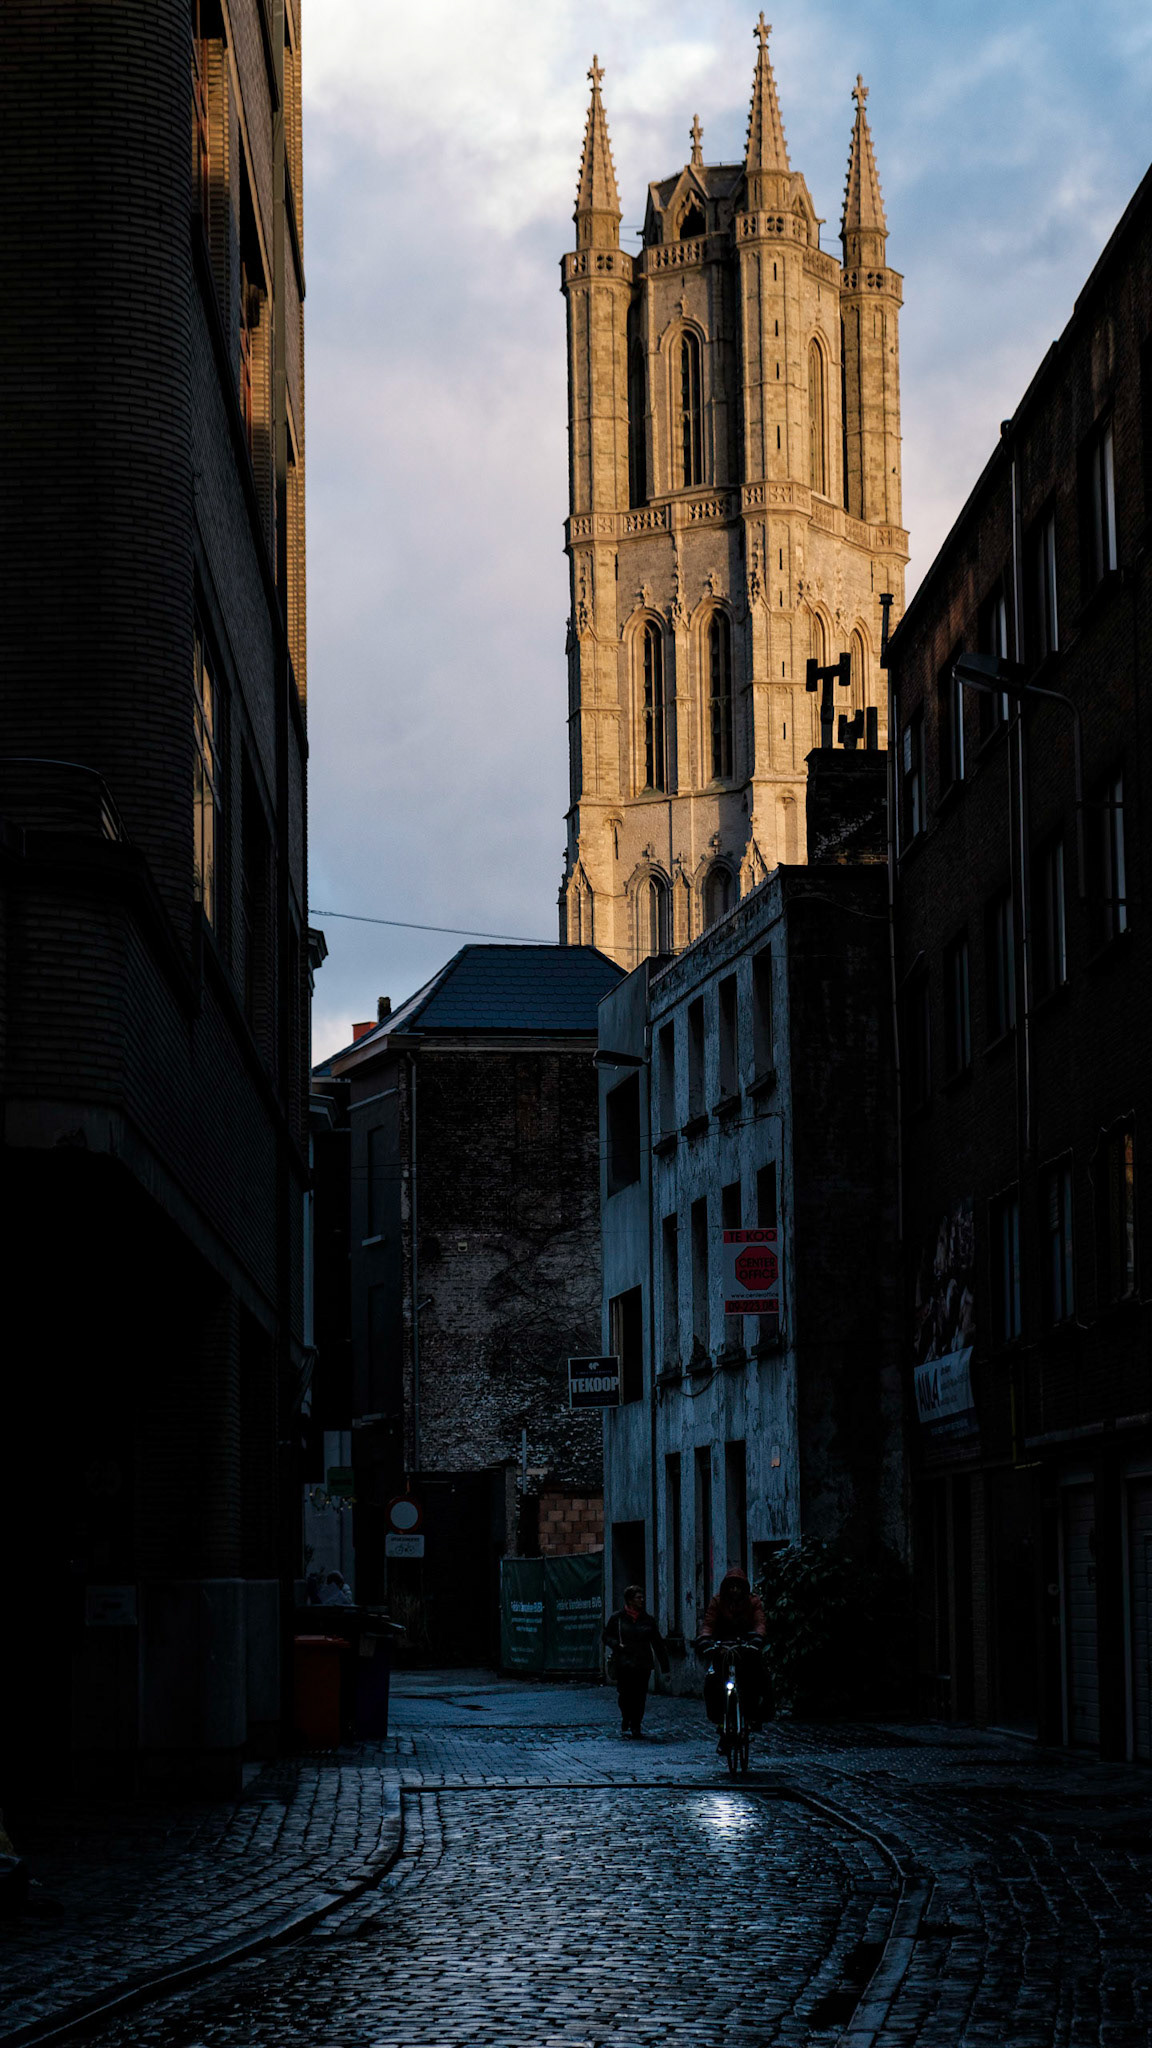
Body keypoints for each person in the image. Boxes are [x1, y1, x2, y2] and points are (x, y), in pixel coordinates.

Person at [696, 1565, 770, 1746]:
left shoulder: (753, 1602)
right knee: (713, 1683)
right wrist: (706, 1639)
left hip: (746, 1647)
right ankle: (720, 1721)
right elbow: (709, 1623)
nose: (734, 1590)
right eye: (731, 1587)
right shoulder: (717, 1602)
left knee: (758, 1678)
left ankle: (755, 1715)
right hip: (722, 1647)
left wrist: (757, 1638)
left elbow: (759, 1622)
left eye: (738, 1587)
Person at [602, 1584, 670, 1738]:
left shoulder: (648, 1620)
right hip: (624, 1663)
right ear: (630, 1600)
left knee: (640, 1696)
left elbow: (657, 1643)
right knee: (625, 1695)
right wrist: (616, 1645)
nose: (642, 1600)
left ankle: (636, 1725)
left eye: (642, 1597)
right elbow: (606, 1636)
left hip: (642, 1663)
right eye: (638, 1598)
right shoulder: (618, 1618)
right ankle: (626, 1716)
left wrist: (665, 1667)